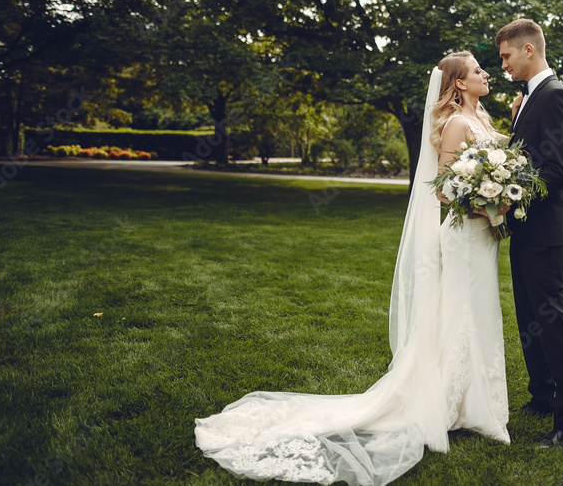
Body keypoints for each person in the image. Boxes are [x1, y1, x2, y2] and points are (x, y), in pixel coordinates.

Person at [194, 51, 509, 485]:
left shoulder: (483, 119)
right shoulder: (456, 123)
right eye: (477, 71)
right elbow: (442, 187)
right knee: (460, 314)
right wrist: (480, 203)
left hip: (482, 237)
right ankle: (451, 403)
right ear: (458, 83)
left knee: (478, 311)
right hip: (462, 234)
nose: (486, 73)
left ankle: (475, 404)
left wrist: (499, 199)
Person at [496, 18, 563, 449]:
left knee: (554, 326)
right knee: (529, 320)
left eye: (506, 56)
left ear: (527, 50)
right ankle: (541, 397)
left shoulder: (555, 95)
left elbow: (557, 171)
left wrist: (508, 197)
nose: (503, 66)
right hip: (526, 232)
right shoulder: (529, 99)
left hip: (548, 235)